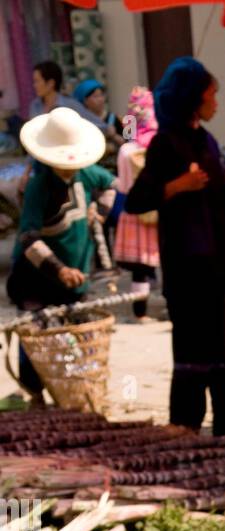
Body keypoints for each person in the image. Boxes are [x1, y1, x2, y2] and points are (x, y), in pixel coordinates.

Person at [124, 57, 225, 436]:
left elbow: (220, 204)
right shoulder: (164, 144)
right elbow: (136, 200)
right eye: (211, 95)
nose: (217, 102)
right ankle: (187, 426)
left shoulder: (207, 141)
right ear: (193, 98)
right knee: (193, 345)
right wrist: (178, 186)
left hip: (220, 263)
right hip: (186, 266)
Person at [7, 108, 116, 403]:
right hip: (37, 276)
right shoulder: (38, 187)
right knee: (35, 336)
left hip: (75, 273)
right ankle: (35, 395)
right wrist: (59, 270)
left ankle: (77, 391)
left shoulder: (85, 173)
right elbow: (28, 238)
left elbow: (111, 184)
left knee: (78, 336)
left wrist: (100, 213)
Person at [114, 87, 160, 322]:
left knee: (139, 270)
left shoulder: (126, 149)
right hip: (160, 212)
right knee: (167, 263)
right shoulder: (159, 143)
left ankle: (140, 314)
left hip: (134, 212)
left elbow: (122, 186)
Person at [72, 78, 123, 148]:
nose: (100, 99)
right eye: (95, 96)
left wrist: (114, 135)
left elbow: (125, 145)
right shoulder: (81, 121)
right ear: (85, 101)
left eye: (101, 95)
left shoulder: (113, 118)